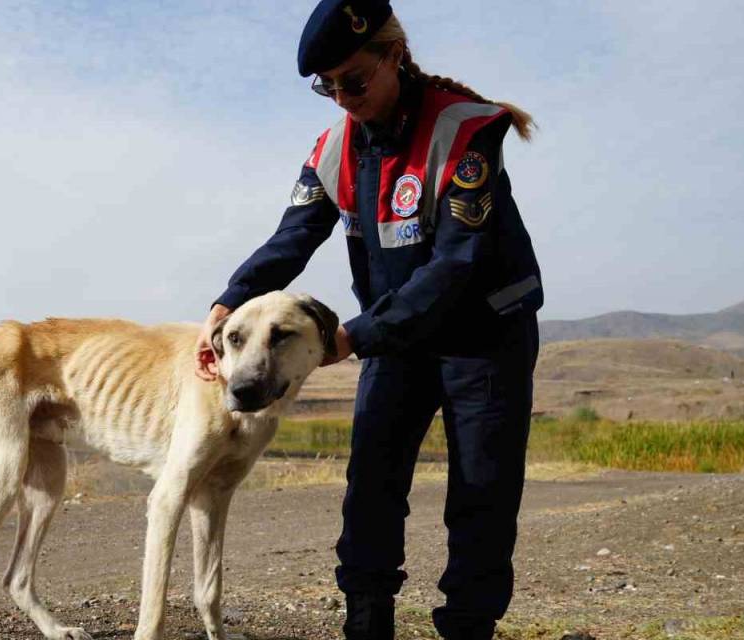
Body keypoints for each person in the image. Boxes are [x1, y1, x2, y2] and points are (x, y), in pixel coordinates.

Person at [194, 1, 542, 638]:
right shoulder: (332, 149)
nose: (342, 99)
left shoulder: (465, 132)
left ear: (394, 56)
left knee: (481, 493)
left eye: (354, 81)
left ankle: (468, 626)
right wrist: (226, 303)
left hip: (482, 337)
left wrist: (355, 335)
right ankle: (366, 625)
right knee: (372, 487)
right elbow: (291, 240)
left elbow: (456, 265)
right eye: (327, 87)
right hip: (396, 337)